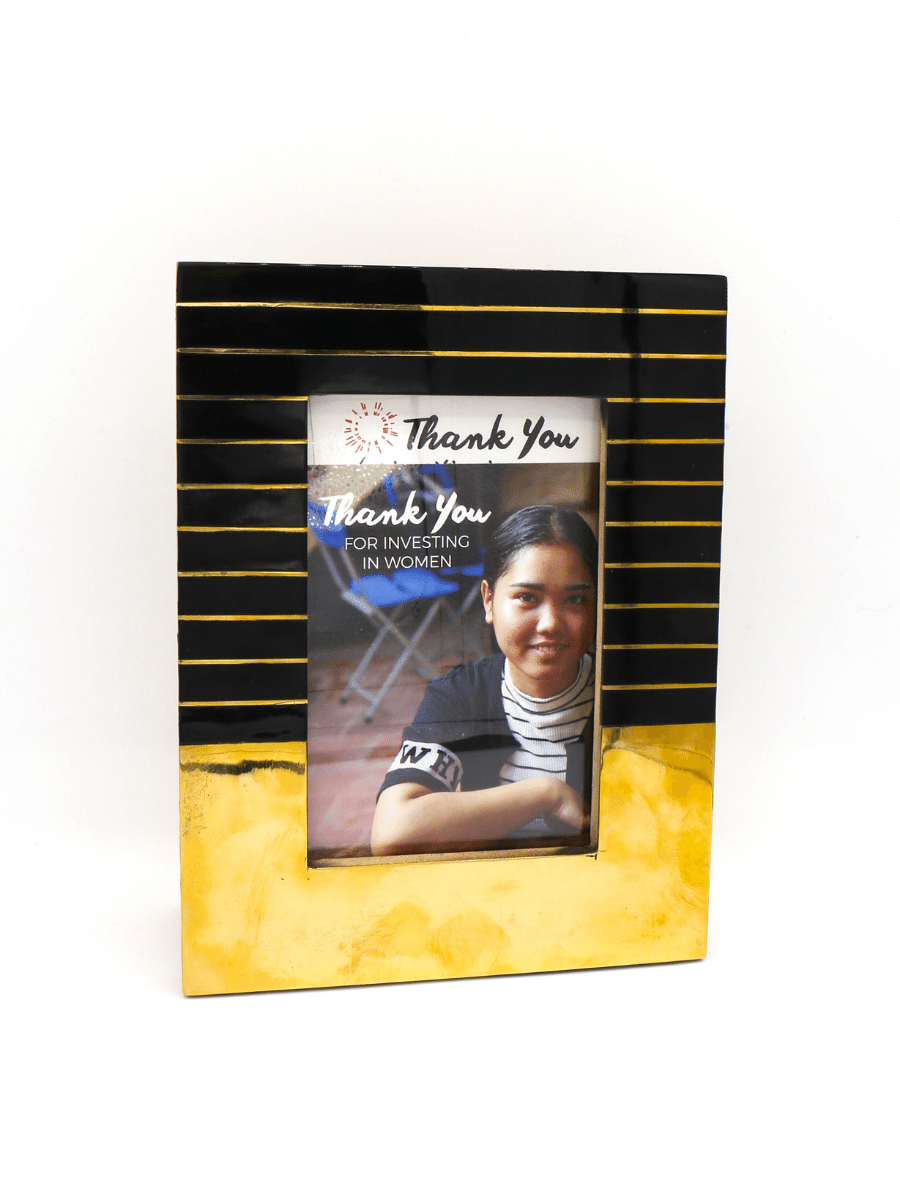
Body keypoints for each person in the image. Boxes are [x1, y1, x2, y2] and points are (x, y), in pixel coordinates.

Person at [370, 505, 598, 855]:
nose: (551, 622)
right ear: (489, 601)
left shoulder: (615, 693)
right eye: (527, 598)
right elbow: (392, 834)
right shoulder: (462, 695)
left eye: (575, 599)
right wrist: (545, 793)